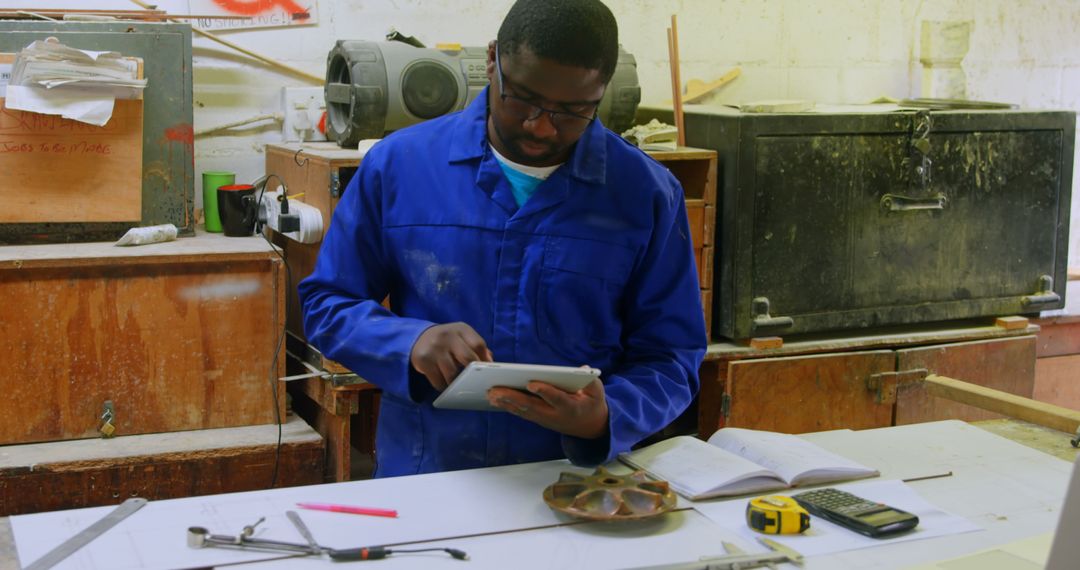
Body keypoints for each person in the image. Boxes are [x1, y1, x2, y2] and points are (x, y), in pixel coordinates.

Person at [299, 0, 706, 477]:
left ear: (600, 93)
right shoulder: (399, 167)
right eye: (523, 98)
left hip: (572, 483)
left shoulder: (646, 194)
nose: (541, 126)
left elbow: (671, 356)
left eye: (575, 111)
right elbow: (328, 304)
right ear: (493, 60)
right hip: (430, 473)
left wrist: (608, 414)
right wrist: (411, 342)